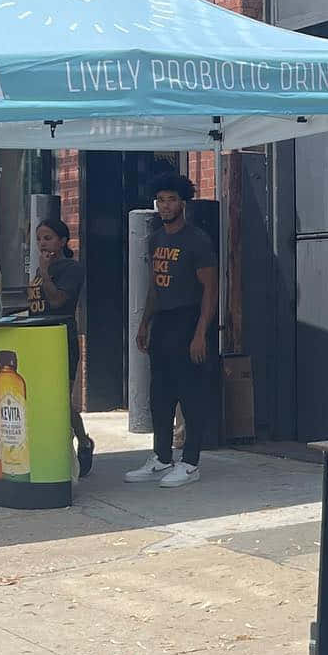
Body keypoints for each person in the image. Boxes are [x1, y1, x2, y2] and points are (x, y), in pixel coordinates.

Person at [125, 174, 218, 488]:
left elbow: (210, 289)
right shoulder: (155, 239)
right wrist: (144, 322)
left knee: (190, 394)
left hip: (188, 318)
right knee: (160, 394)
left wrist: (200, 332)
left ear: (183, 203)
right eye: (161, 200)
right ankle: (162, 457)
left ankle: (191, 462)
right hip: (162, 321)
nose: (165, 206)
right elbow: (154, 285)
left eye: (171, 200)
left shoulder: (198, 240)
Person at [28, 217, 92, 476]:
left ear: (62, 241)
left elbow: (57, 302)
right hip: (37, 338)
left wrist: (44, 272)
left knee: (60, 399)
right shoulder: (40, 268)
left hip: (60, 338)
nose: (42, 244)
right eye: (39, 239)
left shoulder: (70, 268)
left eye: (48, 238)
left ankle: (82, 441)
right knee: (43, 397)